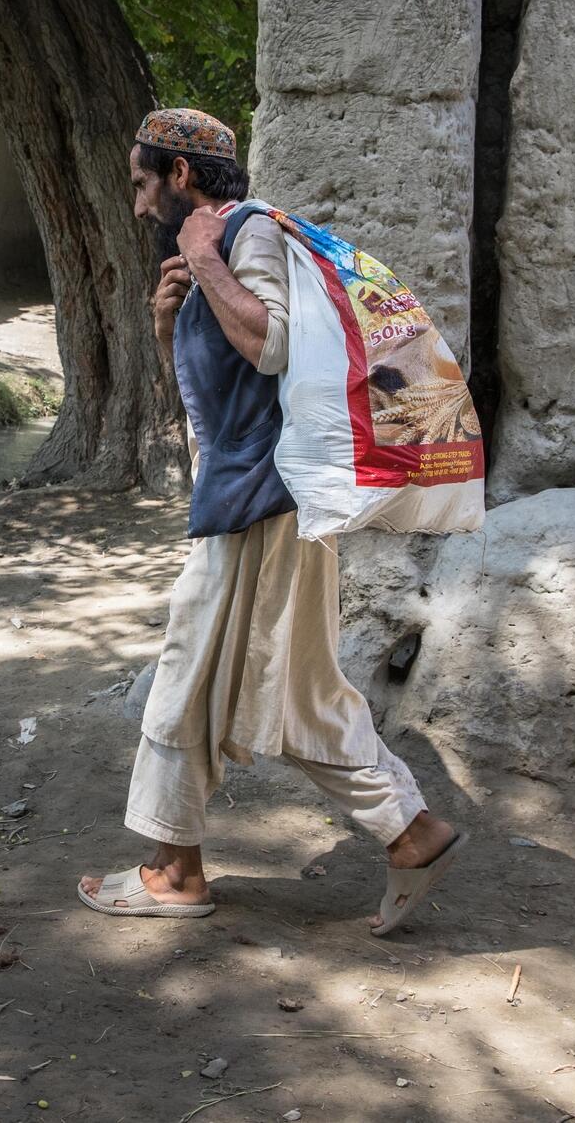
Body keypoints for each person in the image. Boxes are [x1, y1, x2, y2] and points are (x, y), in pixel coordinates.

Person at [78, 108, 467, 935]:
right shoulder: (214, 246)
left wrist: (208, 260)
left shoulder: (240, 235)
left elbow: (271, 345)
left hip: (262, 506)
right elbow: (215, 398)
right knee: (298, 694)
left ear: (181, 175)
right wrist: (165, 320)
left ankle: (174, 871)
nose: (141, 205)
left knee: (190, 671)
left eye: (146, 183)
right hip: (259, 502)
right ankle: (412, 831)